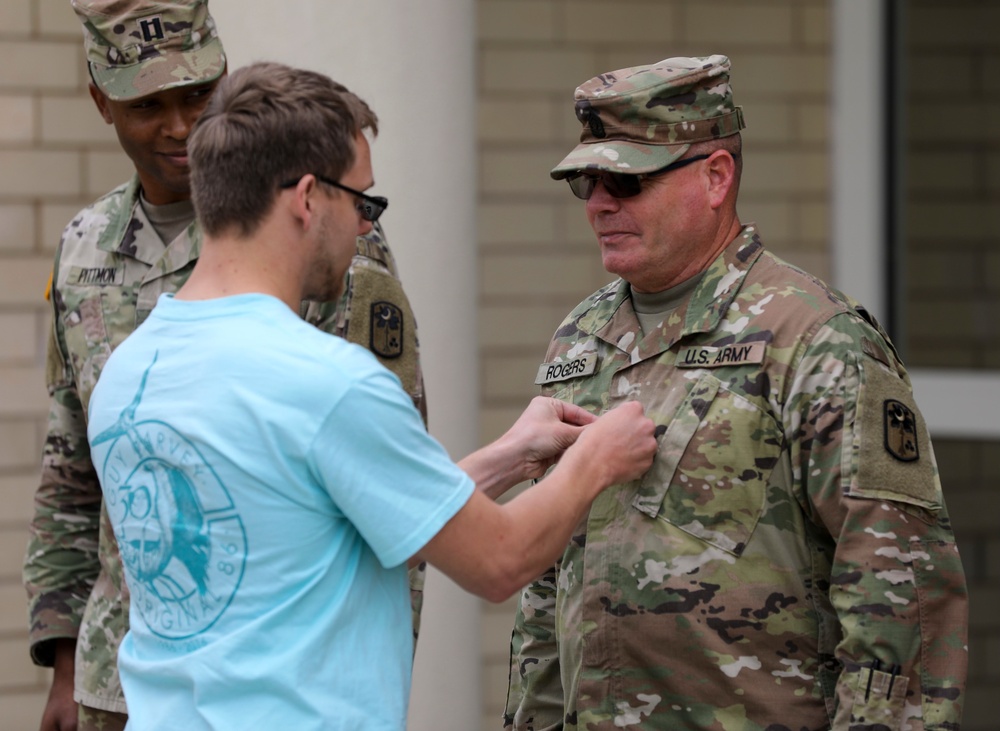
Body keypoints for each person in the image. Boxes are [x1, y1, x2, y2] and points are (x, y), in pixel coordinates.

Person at [83, 60, 658, 731]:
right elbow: (499, 560)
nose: (364, 226)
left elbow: (320, 532)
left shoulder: (128, 370)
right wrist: (599, 458)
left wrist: (508, 455)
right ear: (305, 198)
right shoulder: (326, 382)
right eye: (361, 201)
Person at [504, 55, 969, 731]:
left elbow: (900, 600)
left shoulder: (814, 338)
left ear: (716, 176)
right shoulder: (581, 339)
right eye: (586, 182)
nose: (600, 202)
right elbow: (549, 589)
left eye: (624, 180)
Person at [22, 2, 428, 730]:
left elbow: (396, 487)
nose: (178, 126)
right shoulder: (84, 248)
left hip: (267, 686)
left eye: (196, 96)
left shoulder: (330, 233)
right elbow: (71, 467)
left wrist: (375, 691)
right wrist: (63, 658)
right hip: (118, 677)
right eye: (148, 104)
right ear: (100, 100)